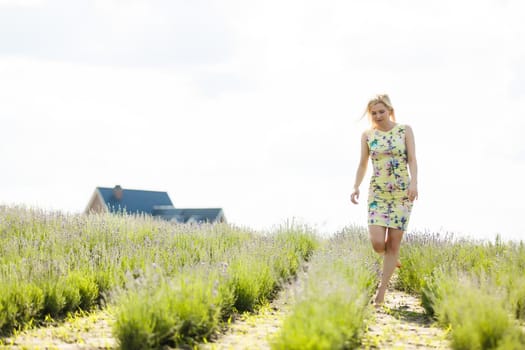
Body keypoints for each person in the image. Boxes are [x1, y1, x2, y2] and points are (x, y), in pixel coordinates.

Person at [350, 94, 418, 306]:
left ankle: (381, 292)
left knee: (394, 243)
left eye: (381, 111)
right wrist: (355, 186)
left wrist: (414, 184)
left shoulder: (405, 130)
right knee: (378, 242)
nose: (378, 116)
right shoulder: (368, 135)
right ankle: (390, 257)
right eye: (373, 113)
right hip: (377, 192)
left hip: (402, 193)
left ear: (389, 110)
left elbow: (413, 160)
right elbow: (362, 164)